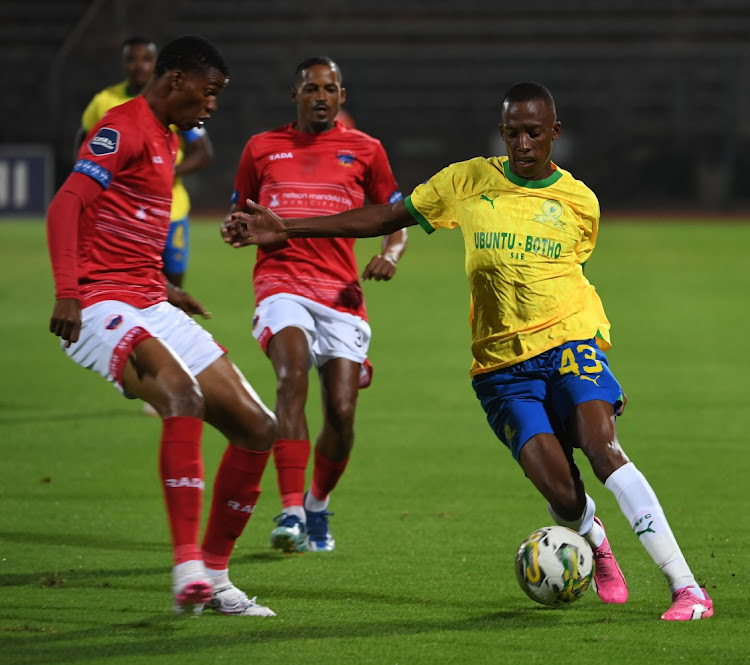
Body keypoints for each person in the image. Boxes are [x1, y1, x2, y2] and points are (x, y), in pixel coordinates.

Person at [222, 81, 713, 621]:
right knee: (564, 495)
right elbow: (385, 218)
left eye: (533, 132)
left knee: (603, 448)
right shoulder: (466, 180)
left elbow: (569, 267)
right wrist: (286, 228)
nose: (522, 143)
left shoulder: (579, 201)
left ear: (555, 132)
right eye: (512, 133)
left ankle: (686, 587)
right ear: (501, 132)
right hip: (501, 367)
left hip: (570, 341)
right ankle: (593, 538)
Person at [48, 35, 276, 618]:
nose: (213, 106)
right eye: (210, 93)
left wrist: (168, 291)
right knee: (182, 396)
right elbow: (67, 204)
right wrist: (69, 292)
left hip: (149, 300)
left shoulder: (167, 138)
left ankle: (218, 577)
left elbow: (126, 224)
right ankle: (186, 570)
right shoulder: (121, 127)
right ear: (176, 81)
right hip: (99, 303)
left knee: (257, 427)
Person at [228, 56, 407, 554]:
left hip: (340, 292)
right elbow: (240, 212)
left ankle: (316, 502)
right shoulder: (262, 148)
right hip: (280, 282)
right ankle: (289, 512)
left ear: (342, 96)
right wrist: (234, 227)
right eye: (311, 88)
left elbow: (397, 215)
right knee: (291, 376)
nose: (321, 96)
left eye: (330, 88)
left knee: (343, 412)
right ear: (296, 96)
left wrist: (390, 253)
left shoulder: (366, 150)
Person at [75, 35, 213, 288]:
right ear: (123, 64)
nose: (139, 66)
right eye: (131, 59)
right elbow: (84, 141)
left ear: (156, 64)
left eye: (146, 59)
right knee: (126, 285)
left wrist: (165, 171)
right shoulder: (104, 101)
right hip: (121, 213)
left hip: (170, 211)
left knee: (173, 289)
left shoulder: (173, 101)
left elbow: (203, 152)